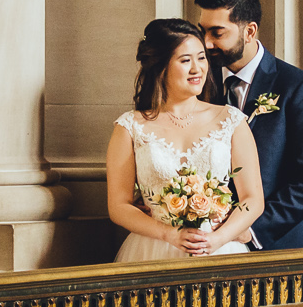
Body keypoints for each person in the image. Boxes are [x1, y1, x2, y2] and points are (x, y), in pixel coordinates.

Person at [106, 18, 265, 261]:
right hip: (152, 250)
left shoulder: (231, 121)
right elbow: (119, 206)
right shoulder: (130, 127)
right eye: (185, 60)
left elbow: (253, 199)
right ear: (161, 67)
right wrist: (168, 234)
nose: (197, 68)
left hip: (219, 249)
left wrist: (218, 239)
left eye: (201, 58)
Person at [193, 0, 303, 250]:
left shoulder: (297, 87)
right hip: (212, 244)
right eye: (203, 32)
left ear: (249, 31)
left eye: (217, 33)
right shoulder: (200, 86)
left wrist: (251, 230)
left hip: (282, 244)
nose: (206, 44)